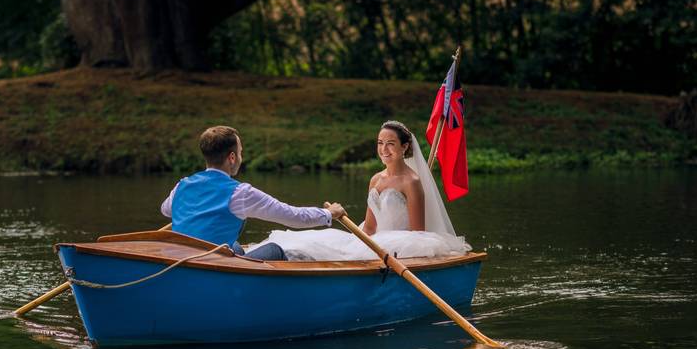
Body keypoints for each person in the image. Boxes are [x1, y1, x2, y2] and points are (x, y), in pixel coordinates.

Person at [258, 120, 471, 261]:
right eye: (380, 143)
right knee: (313, 245)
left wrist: (386, 250)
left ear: (404, 147)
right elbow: (369, 227)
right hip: (374, 240)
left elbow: (418, 234)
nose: (383, 149)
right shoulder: (375, 179)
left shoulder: (412, 182)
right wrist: (354, 242)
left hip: (401, 245)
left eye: (390, 144)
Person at [161, 125, 345, 261]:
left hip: (181, 259)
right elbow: (293, 216)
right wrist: (329, 214)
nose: (241, 157)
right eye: (240, 152)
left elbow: (166, 210)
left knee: (236, 248)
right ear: (232, 158)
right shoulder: (240, 194)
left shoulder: (182, 185)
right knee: (274, 249)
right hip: (212, 264)